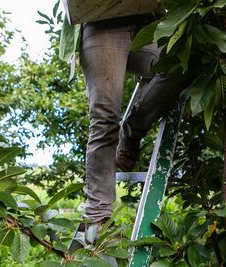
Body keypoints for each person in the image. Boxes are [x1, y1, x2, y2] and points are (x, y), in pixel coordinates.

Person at [60, 13, 183, 227]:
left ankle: (131, 131)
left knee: (181, 63)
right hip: (101, 25)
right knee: (105, 119)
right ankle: (98, 215)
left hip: (148, 23)